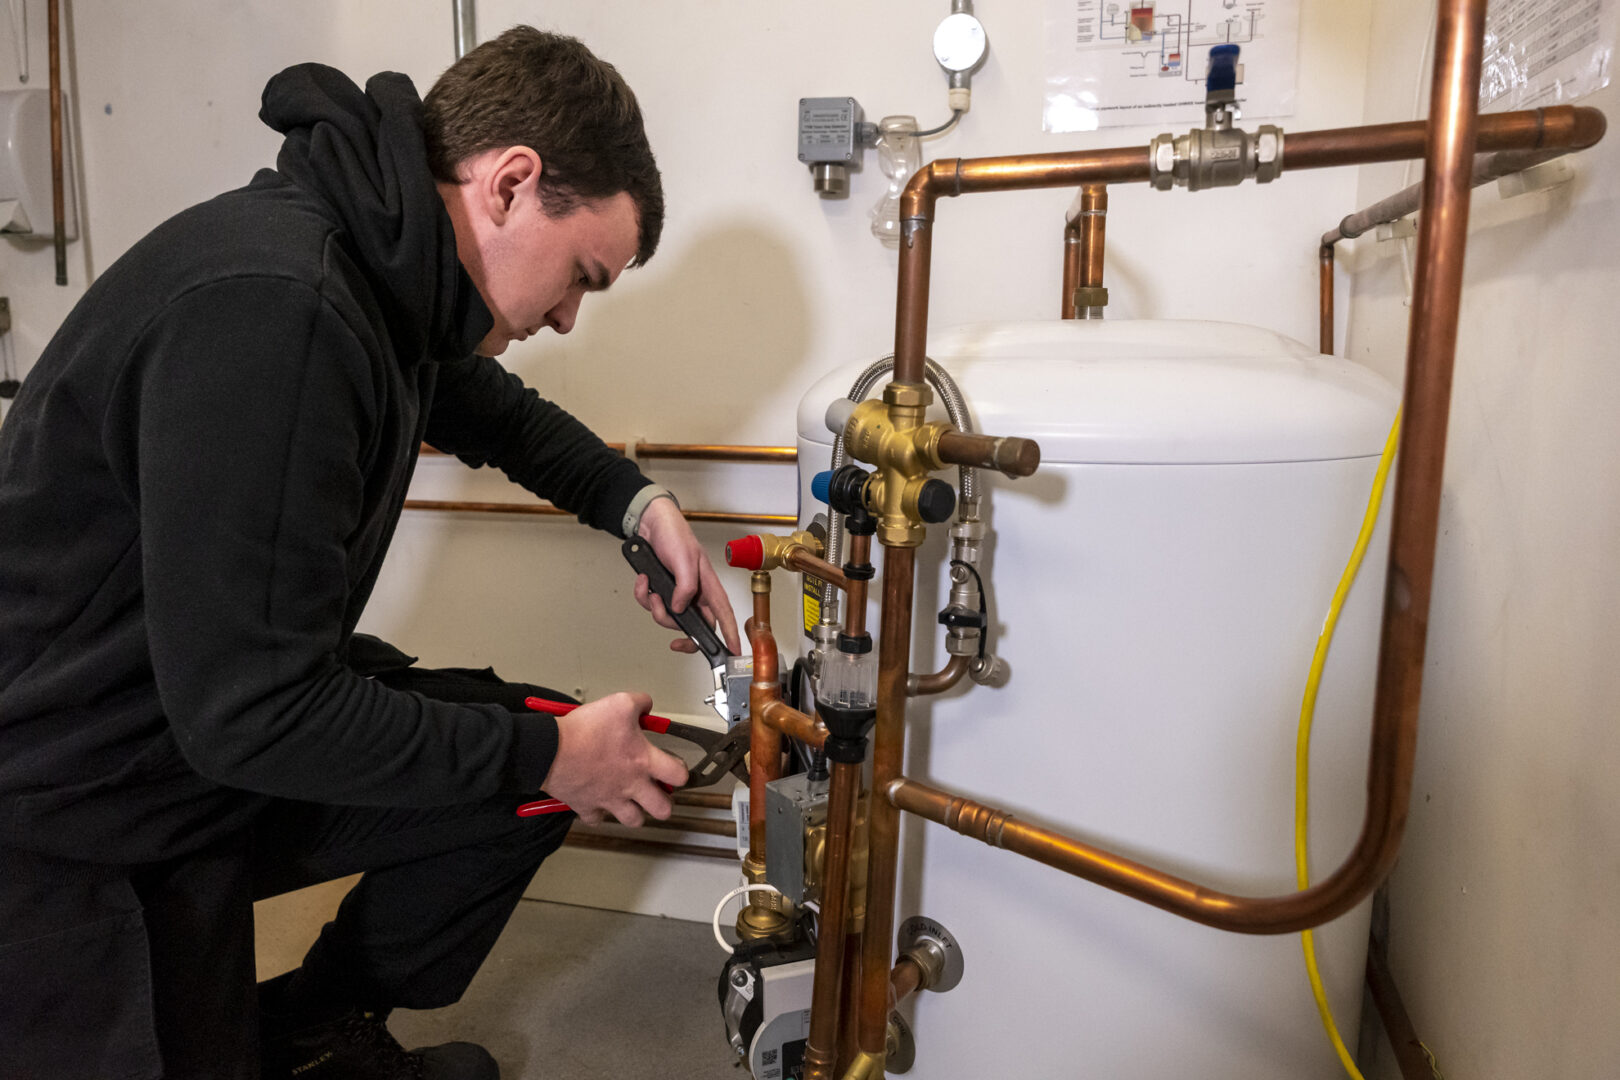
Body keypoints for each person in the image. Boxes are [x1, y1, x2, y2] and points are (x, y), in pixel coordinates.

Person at [0, 26, 737, 1080]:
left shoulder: (372, 277)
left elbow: (489, 409)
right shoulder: (278, 310)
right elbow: (257, 713)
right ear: (511, 184)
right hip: (74, 819)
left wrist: (636, 503)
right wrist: (556, 755)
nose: (571, 317)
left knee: (519, 776)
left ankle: (315, 1026)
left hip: (193, 740)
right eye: (583, 275)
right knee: (544, 757)